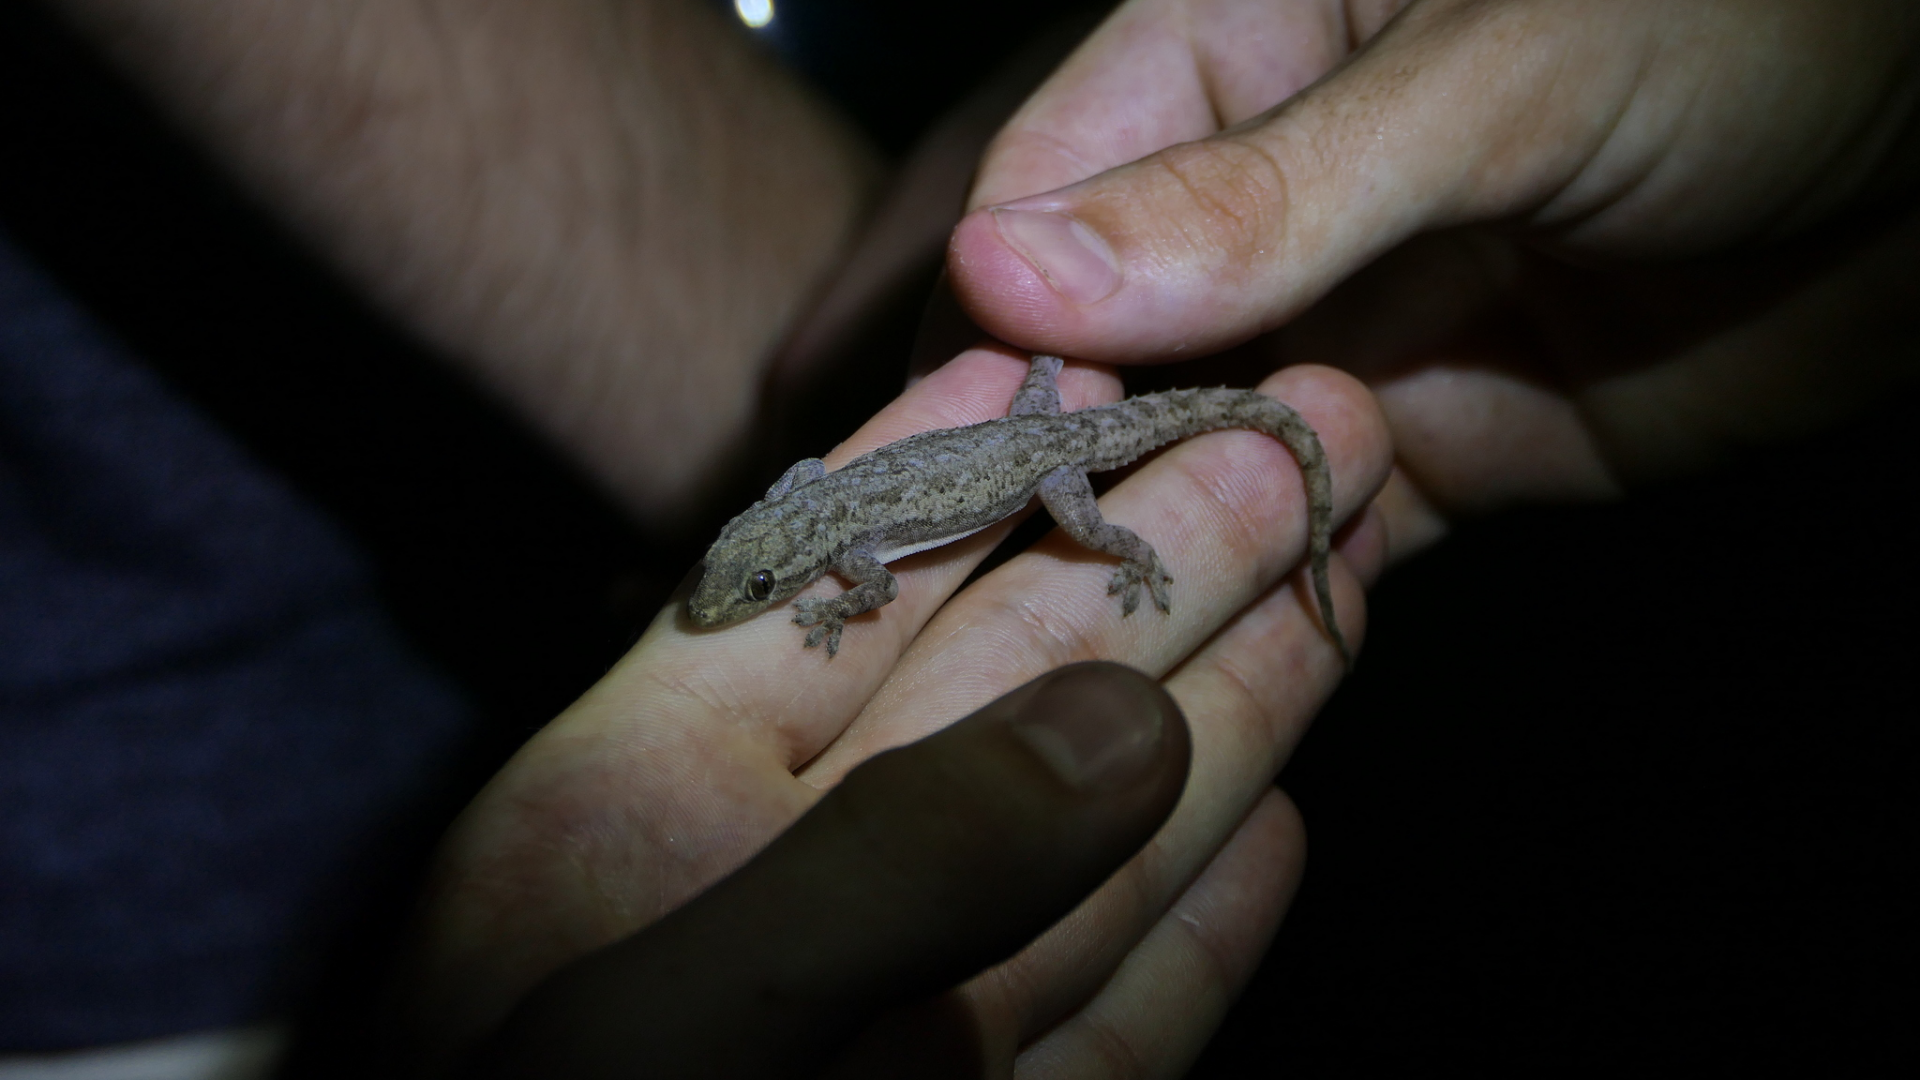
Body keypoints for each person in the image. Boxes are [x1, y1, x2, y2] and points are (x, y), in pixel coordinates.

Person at [9, 0, 1916, 1075]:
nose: (758, 591)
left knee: (1160, 477)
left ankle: (1185, 509)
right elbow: (796, 525)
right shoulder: (805, 522)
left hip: (1045, 458)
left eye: (760, 584)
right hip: (1012, 436)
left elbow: (814, 533)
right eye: (760, 584)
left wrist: (1007, 531)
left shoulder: (823, 528)